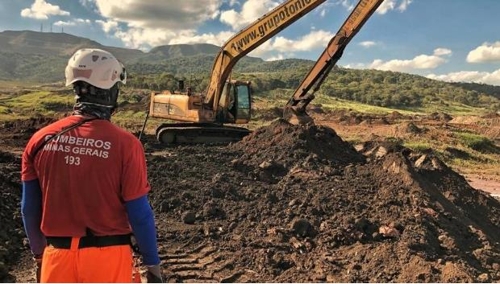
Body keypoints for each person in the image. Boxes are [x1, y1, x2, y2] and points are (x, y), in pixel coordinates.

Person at [21, 48, 163, 283]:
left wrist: (39, 256)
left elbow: (29, 208)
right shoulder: (126, 145)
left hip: (56, 258)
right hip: (108, 259)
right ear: (110, 91)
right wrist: (153, 265)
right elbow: (140, 214)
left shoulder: (39, 140)